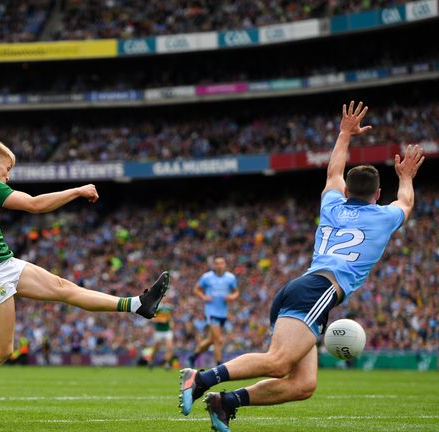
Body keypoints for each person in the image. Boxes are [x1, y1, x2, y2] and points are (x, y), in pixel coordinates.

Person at [179, 101, 424, 431]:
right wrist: (406, 176)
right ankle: (201, 379)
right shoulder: (384, 217)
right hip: (318, 292)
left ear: (346, 190)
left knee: (303, 384)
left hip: (303, 289)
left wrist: (344, 134)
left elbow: (333, 171)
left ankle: (226, 402)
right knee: (278, 364)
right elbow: (406, 201)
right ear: (378, 194)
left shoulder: (332, 202)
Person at [0, 139, 170, 423]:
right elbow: (34, 205)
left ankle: (138, 304)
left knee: (64, 288)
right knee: (1, 349)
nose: (8, 177)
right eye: (7, 169)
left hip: (3, 263)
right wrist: (77, 190)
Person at [188, 257, 239, 367]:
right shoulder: (207, 277)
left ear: (225, 264)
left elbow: (236, 292)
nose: (219, 265)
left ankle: (193, 356)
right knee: (219, 340)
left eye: (221, 263)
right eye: (217, 263)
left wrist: (232, 297)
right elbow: (196, 289)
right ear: (214, 265)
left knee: (211, 340)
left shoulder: (230, 278)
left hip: (223, 313)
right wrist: (204, 296)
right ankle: (219, 366)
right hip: (211, 312)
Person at [149, 300, 175, 370]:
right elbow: (151, 318)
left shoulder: (170, 307)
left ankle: (166, 363)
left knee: (169, 347)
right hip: (159, 331)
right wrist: (160, 319)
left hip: (167, 330)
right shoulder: (157, 307)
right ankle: (151, 360)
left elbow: (170, 317)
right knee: (156, 348)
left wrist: (171, 323)